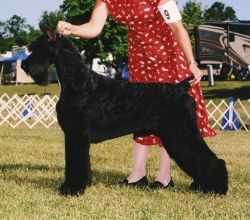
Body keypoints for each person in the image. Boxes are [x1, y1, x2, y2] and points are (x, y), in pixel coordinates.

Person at [57, 0, 216, 189]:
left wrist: (191, 61)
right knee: (138, 117)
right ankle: (138, 174)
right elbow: (94, 27)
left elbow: (176, 26)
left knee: (169, 120)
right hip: (140, 57)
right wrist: (72, 28)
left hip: (168, 56)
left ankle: (164, 177)